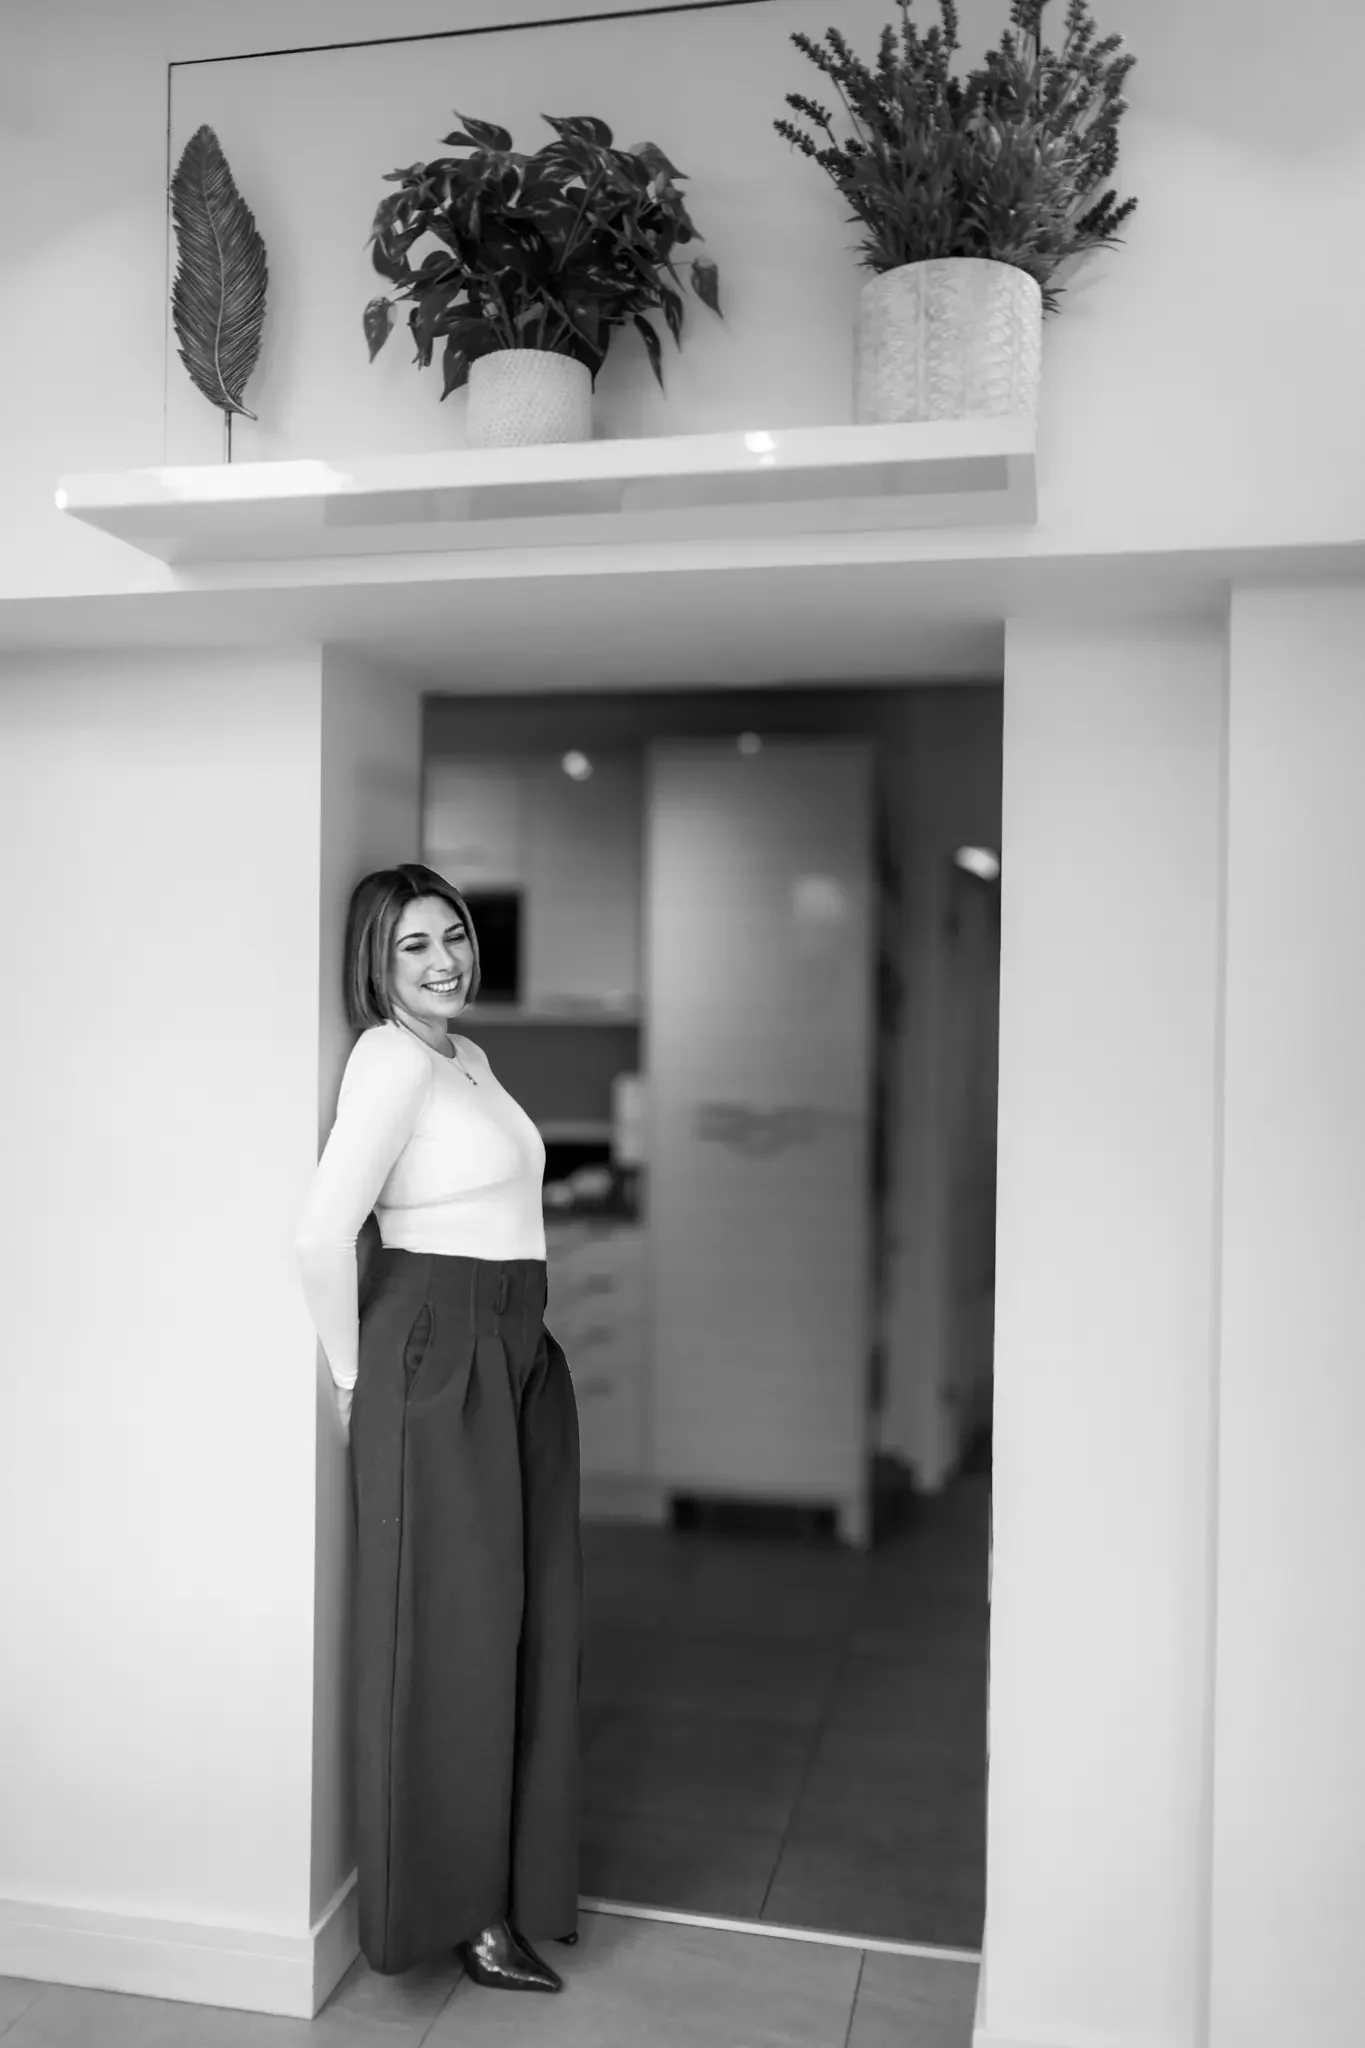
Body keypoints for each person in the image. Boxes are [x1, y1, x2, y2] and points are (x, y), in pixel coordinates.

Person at [294, 863, 582, 1995]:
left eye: (452, 935)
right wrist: (356, 1379)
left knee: (533, 1623)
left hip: (519, 1346)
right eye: (414, 946)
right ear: (376, 959)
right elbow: (324, 1234)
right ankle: (458, 1911)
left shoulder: (470, 1058)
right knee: (451, 1640)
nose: (444, 960)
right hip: (438, 1344)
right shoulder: (387, 1058)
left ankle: (517, 1885)